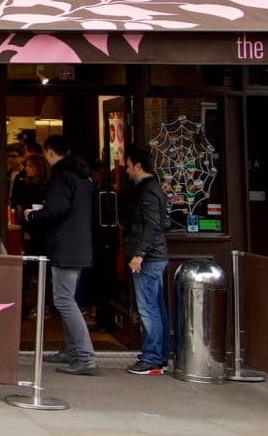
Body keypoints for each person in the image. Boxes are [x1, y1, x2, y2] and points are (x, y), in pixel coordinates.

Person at [27, 135, 96, 376]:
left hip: (65, 246)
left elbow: (57, 209)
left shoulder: (60, 175)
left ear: (48, 152)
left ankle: (85, 355)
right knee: (68, 298)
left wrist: (34, 216)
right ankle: (71, 350)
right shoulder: (83, 176)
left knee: (64, 300)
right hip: (80, 244)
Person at [123, 145, 169, 375]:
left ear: (138, 166)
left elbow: (152, 226)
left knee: (148, 308)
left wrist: (139, 254)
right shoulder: (152, 189)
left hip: (149, 258)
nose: (127, 171)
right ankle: (159, 355)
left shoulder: (148, 191)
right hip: (154, 256)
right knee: (156, 307)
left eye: (129, 166)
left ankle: (152, 357)